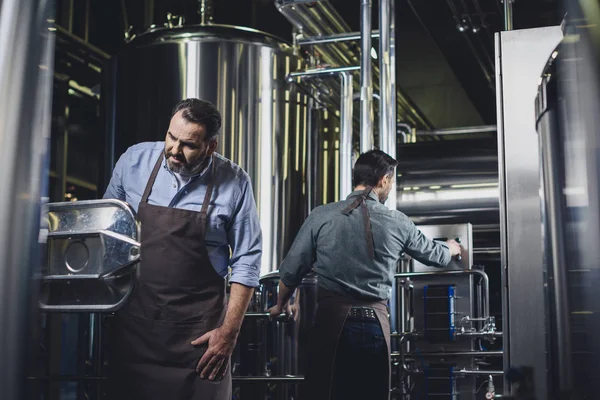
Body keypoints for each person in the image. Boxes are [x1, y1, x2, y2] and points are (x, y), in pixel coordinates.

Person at [268, 149, 461, 400]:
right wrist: (452, 247)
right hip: (374, 326)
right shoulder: (396, 221)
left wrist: (281, 304)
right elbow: (435, 254)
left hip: (330, 324)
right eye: (391, 181)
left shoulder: (321, 215)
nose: (390, 187)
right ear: (383, 180)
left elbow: (292, 269)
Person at [103, 98, 262, 400]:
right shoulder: (134, 162)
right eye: (171, 137)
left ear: (210, 147)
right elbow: (109, 231)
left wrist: (228, 334)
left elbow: (247, 261)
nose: (174, 150)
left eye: (188, 145)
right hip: (135, 332)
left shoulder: (235, 182)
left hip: (199, 341)